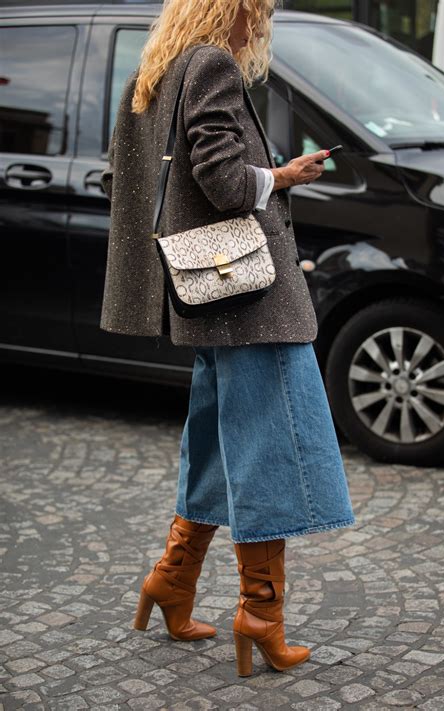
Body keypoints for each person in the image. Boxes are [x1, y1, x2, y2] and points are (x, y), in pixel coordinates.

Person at [100, 0, 355, 677]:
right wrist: (283, 176)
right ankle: (261, 614)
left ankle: (171, 581)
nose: (262, 25)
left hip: (207, 297)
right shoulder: (211, 64)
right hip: (249, 299)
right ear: (232, 9)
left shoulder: (155, 70)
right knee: (272, 450)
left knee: (213, 443)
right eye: (260, 11)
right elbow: (222, 181)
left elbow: (127, 177)